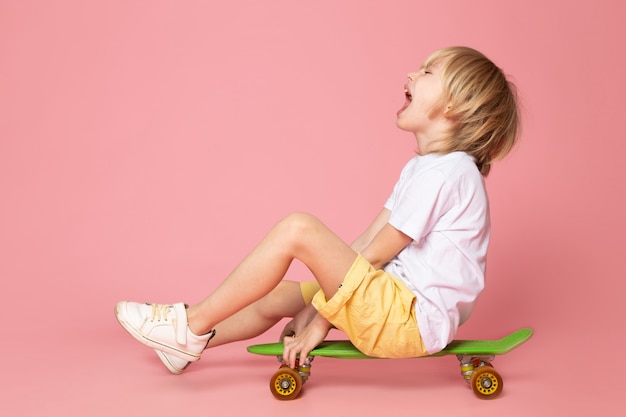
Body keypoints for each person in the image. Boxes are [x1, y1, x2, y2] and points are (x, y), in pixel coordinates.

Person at [115, 46, 520, 375]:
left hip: (407, 319)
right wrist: (316, 304)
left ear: (454, 106)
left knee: (298, 228)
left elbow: (379, 253)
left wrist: (320, 321)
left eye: (428, 72)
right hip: (390, 301)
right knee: (277, 296)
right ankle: (187, 346)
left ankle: (189, 325)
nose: (412, 75)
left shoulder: (449, 173)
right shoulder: (423, 169)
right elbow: (364, 243)